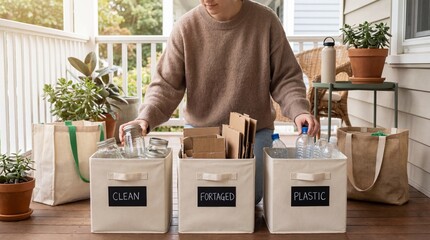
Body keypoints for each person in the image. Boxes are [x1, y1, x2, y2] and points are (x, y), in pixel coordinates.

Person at [119, 0, 320, 205]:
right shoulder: (186, 27)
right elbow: (165, 85)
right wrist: (144, 118)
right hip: (203, 128)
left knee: (249, 196)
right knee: (199, 195)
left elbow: (286, 78)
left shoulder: (266, 21)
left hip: (252, 132)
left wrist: (299, 110)